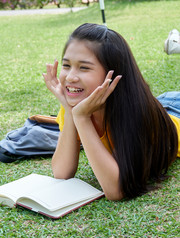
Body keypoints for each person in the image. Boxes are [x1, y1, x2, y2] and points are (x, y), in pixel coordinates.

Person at [43, 23, 180, 200]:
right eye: (66, 65)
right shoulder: (77, 105)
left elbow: (116, 191)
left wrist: (81, 118)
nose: (70, 77)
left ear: (112, 73)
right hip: (163, 103)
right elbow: (62, 173)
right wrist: (71, 112)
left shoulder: (135, 114)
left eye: (84, 67)